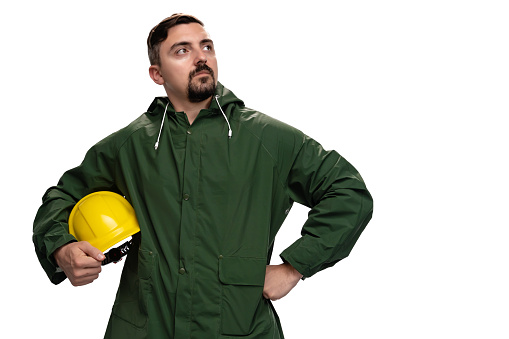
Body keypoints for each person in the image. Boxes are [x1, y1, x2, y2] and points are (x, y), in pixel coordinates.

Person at [33, 13, 373, 339]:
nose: (201, 57)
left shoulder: (267, 139)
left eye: (206, 47)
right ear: (157, 73)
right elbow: (62, 198)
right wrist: (62, 249)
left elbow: (348, 192)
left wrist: (294, 266)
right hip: (147, 329)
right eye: (182, 50)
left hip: (239, 329)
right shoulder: (132, 144)